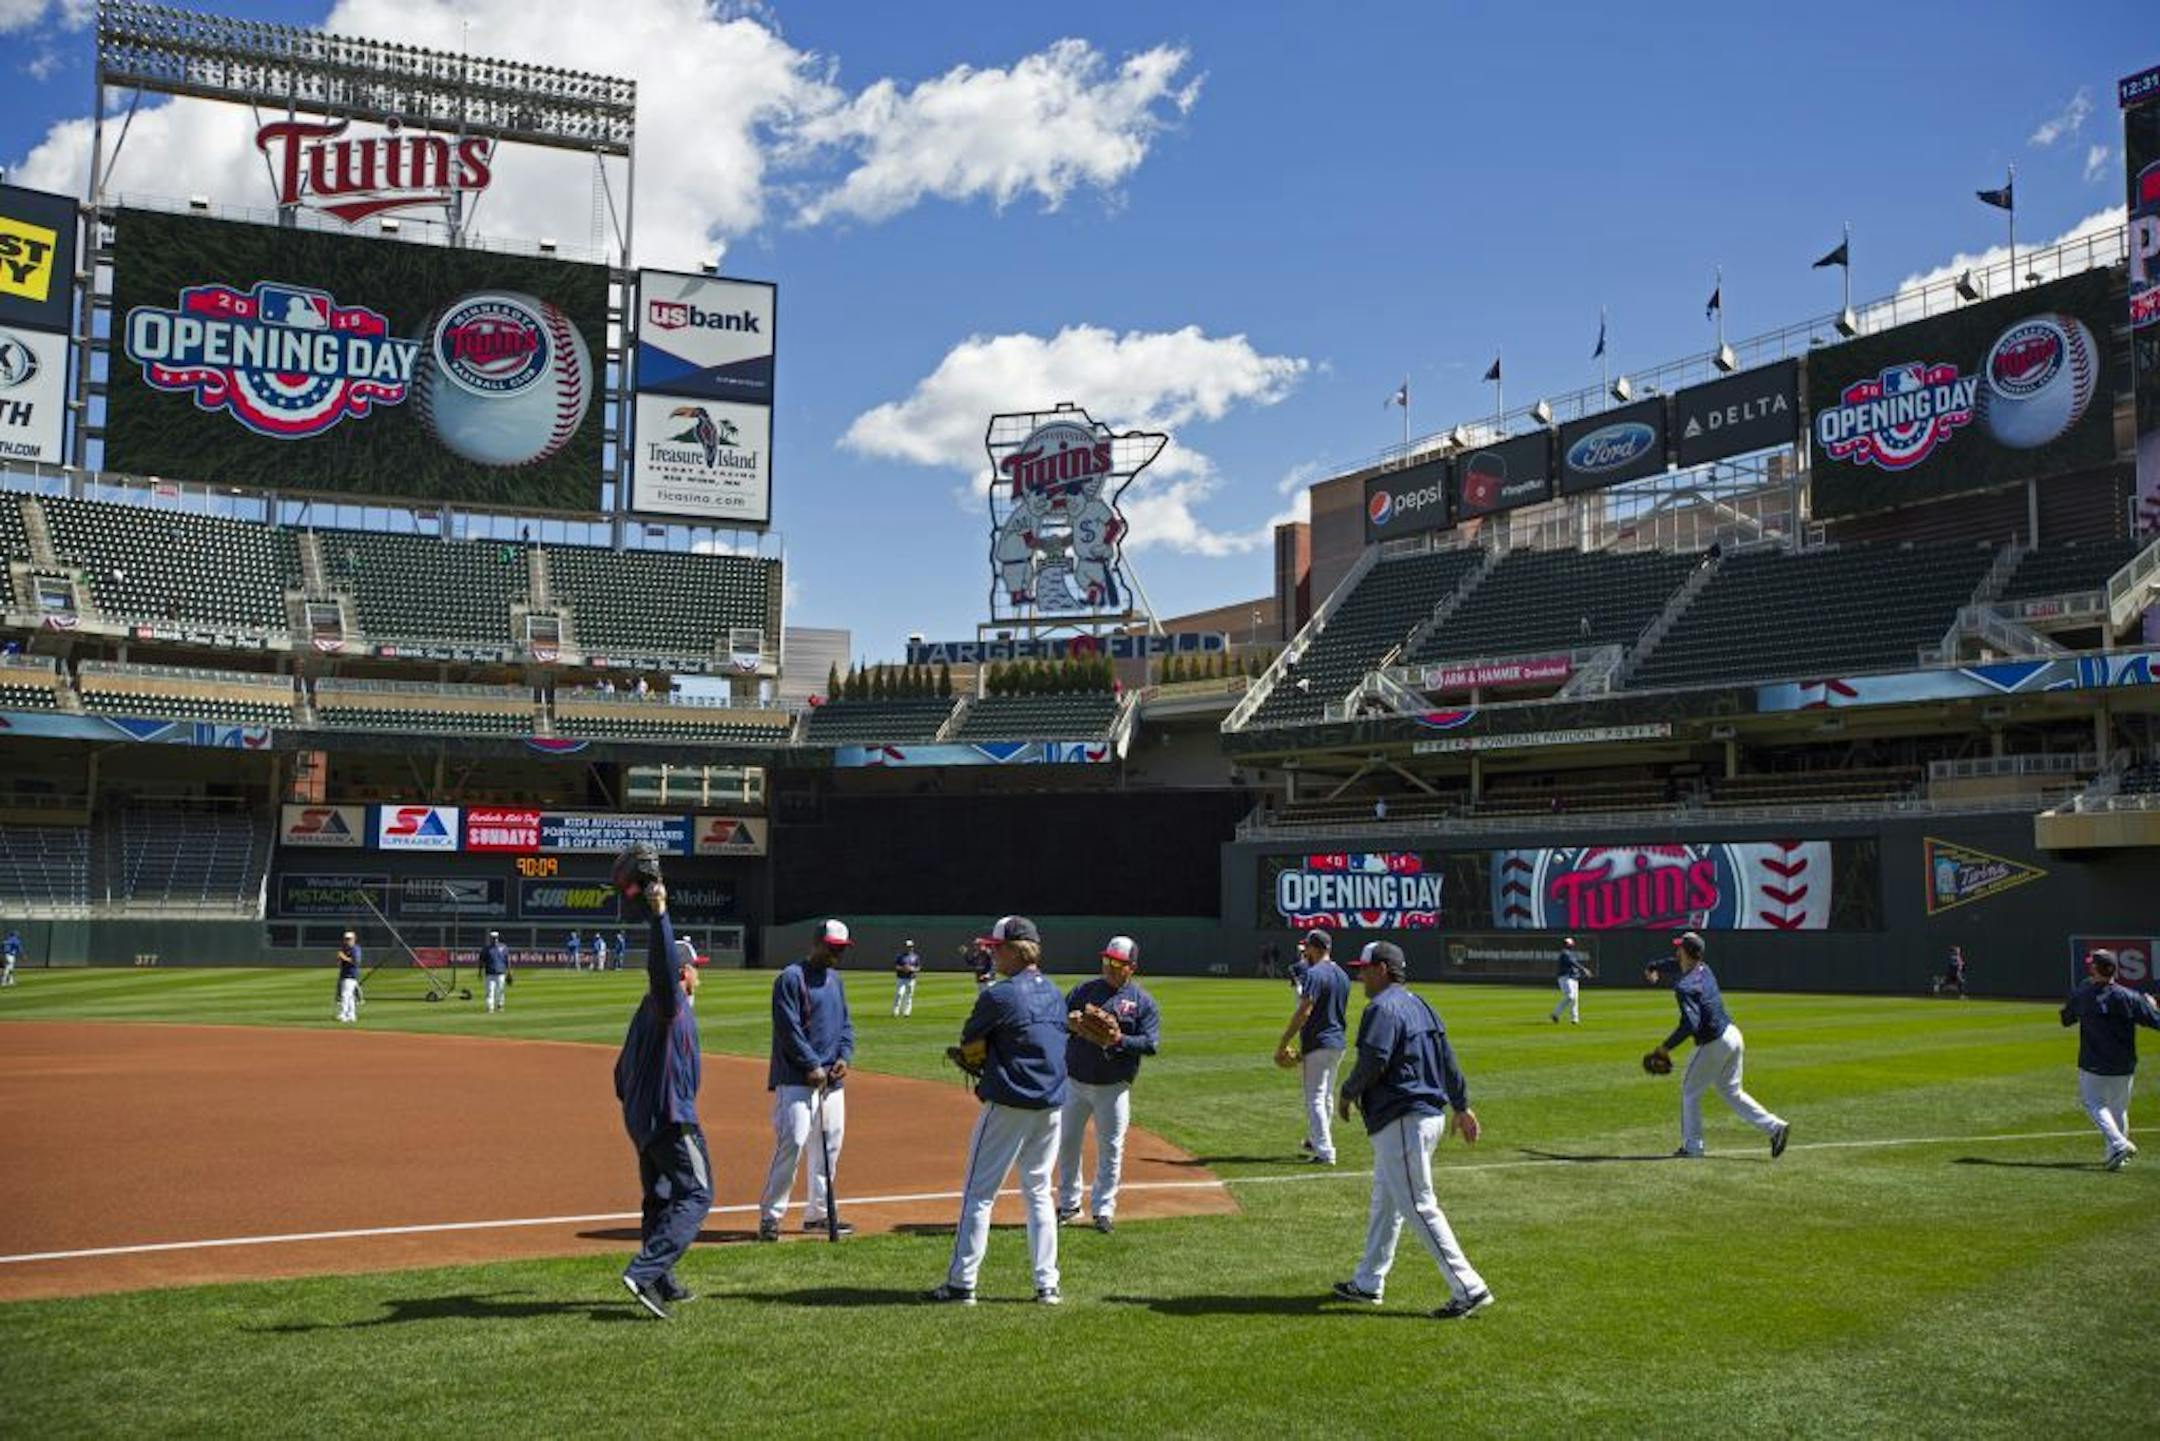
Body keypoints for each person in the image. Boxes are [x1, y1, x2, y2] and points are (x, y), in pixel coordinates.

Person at [1331, 942, 1493, 1320]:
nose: (1360, 975)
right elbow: (1448, 1058)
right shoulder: (1421, 1004)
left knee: (1419, 1205)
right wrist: (1461, 1104)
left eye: (1366, 968)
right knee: (1386, 1202)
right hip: (1424, 1117)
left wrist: (1347, 1093)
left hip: (1403, 1117)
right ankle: (1368, 1282)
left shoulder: (1382, 1008)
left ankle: (1468, 1287)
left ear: (1385, 968)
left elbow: (1375, 1059)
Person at [927, 916, 1067, 1306]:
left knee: (979, 1193)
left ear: (1013, 950)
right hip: (1052, 1106)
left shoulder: (999, 996)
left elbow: (970, 1040)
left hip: (1010, 1104)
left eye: (996, 948)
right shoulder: (1056, 993)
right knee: (1039, 1192)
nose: (991, 953)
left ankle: (961, 1284)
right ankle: (1047, 1286)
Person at [610, 849, 709, 1319]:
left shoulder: (644, 1013)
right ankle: (646, 1270)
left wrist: (637, 1115)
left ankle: (661, 1282)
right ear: (683, 972)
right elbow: (661, 968)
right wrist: (660, 915)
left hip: (644, 1120)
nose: (698, 977)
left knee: (661, 1197)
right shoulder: (668, 1005)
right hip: (672, 1117)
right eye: (696, 969)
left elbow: (619, 1074)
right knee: (697, 1193)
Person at [1645, 932, 1790, 1159]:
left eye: (1679, 948)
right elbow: (1677, 963)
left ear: (1685, 952)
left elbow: (1690, 1024)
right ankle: (1775, 1127)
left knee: (1689, 1091)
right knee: (1731, 1091)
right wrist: (1654, 966)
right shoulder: (1704, 968)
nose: (1676, 951)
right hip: (1733, 1036)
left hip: (1714, 1043)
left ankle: (1693, 1147)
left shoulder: (1684, 987)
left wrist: (1665, 1048)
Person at [1056, 935, 1161, 1234]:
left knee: (1111, 1148)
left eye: (1118, 963)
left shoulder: (1142, 1002)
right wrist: (1071, 1023)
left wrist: (1119, 1040)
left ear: (1132, 967)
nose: (1111, 967)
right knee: (1067, 1144)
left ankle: (1103, 1209)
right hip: (1075, 1081)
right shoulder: (1084, 990)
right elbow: (1059, 1020)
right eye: (1107, 961)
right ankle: (1069, 1204)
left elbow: (1151, 1044)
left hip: (1113, 1088)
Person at [758, 919, 857, 1240]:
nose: (836, 955)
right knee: (794, 1142)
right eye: (832, 948)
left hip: (831, 1080)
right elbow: (788, 1030)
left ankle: (818, 1214)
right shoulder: (790, 978)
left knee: (829, 1148)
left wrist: (844, 1056)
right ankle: (771, 1216)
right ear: (816, 943)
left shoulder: (835, 980)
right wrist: (811, 1065)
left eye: (840, 950)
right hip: (796, 1078)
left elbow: (845, 1025)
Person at [2060, 949, 2160, 1170]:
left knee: (2093, 1103)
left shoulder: (2083, 994)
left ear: (2095, 968)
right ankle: (2114, 1157)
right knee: (2119, 1109)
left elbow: (2066, 1019)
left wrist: (2078, 996)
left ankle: (2119, 1144)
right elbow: (2156, 1021)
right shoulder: (2131, 997)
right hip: (2124, 1064)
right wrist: (2151, 1006)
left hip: (2093, 1062)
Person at [1276, 929, 1349, 1165]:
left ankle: (1325, 1151)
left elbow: (1304, 1011)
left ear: (1315, 948)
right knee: (1325, 1096)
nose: (1305, 950)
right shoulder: (1342, 974)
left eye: (1308, 947)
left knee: (1315, 1098)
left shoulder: (1315, 974)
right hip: (1338, 1042)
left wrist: (1284, 1042)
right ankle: (1318, 1141)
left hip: (1319, 1041)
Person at [1550, 937, 1589, 1024]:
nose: (1568, 945)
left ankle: (1575, 1019)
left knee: (1575, 999)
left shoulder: (1570, 953)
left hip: (1573, 977)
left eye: (1568, 943)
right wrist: (1583, 969)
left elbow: (1573, 964)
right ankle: (1555, 1013)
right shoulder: (1564, 953)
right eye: (1567, 943)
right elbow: (1572, 962)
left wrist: (1579, 971)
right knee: (1570, 996)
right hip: (1565, 978)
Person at [479, 930, 510, 1013]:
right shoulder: (486, 949)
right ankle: (490, 1007)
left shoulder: (503, 947)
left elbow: (507, 960)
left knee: (500, 990)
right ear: (491, 939)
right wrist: (480, 972)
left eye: (495, 938)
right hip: (490, 974)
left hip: (501, 973)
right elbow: (481, 961)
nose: (494, 940)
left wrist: (509, 972)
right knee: (490, 991)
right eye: (493, 938)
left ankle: (500, 1005)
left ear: (498, 938)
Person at [334, 931, 362, 1023]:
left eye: (349, 939)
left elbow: (356, 962)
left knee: (345, 995)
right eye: (346, 939)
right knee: (350, 996)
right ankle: (352, 1015)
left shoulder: (355, 949)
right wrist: (339, 958)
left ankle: (343, 1014)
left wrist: (343, 957)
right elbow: (339, 963)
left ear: (354, 939)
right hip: (344, 974)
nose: (347, 941)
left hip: (351, 975)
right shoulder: (345, 949)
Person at [893, 939, 923, 1017]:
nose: (909, 948)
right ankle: (896, 1011)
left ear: (912, 947)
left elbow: (918, 967)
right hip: (901, 978)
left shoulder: (915, 957)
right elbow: (896, 966)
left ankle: (907, 1012)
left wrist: (912, 969)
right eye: (907, 947)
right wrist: (903, 968)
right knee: (899, 994)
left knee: (909, 995)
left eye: (910, 947)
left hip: (911, 978)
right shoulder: (900, 956)